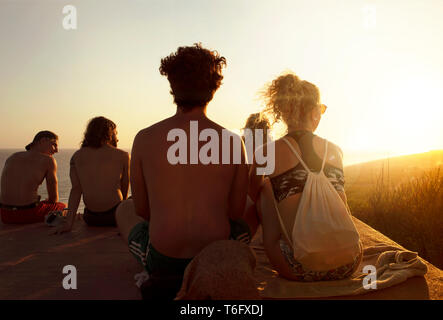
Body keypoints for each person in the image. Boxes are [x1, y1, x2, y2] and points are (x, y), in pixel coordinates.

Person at [115, 43, 250, 296]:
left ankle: (159, 275)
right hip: (214, 255)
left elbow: (142, 210)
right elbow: (235, 211)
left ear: (172, 87)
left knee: (124, 208)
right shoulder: (233, 142)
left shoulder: (144, 138)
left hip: (164, 259)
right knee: (249, 209)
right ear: (214, 88)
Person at [249, 72, 362, 281]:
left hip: (299, 268)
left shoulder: (265, 153)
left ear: (283, 113)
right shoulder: (335, 150)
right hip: (350, 262)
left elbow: (250, 196)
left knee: (265, 188)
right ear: (314, 113)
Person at [52, 117, 130, 234]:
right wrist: (123, 218)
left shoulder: (77, 157)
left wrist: (69, 223)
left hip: (91, 218)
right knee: (134, 199)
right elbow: (125, 188)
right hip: (115, 217)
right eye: (115, 133)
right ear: (110, 134)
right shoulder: (123, 155)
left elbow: (76, 191)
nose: (117, 138)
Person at [0, 131, 66, 224]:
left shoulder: (13, 156)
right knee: (61, 206)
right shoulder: (48, 160)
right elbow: (54, 199)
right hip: (28, 214)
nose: (56, 150)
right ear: (43, 140)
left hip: (5, 215)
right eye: (54, 145)